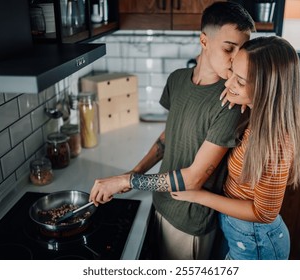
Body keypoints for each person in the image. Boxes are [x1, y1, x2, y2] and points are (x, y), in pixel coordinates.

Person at [89, 1, 255, 260]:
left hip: (190, 223)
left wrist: (126, 181)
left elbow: (193, 179)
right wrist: (135, 172)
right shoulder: (177, 80)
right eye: (228, 48)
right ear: (203, 40)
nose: (236, 58)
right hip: (160, 203)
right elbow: (169, 137)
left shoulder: (229, 102)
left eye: (241, 49)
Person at [172, 36, 300, 260]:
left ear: (267, 89)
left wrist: (198, 196)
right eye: (232, 72)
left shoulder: (276, 144)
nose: (227, 84)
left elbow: (264, 213)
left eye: (240, 81)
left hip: (257, 243)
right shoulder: (258, 114)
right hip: (238, 232)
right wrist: (244, 96)